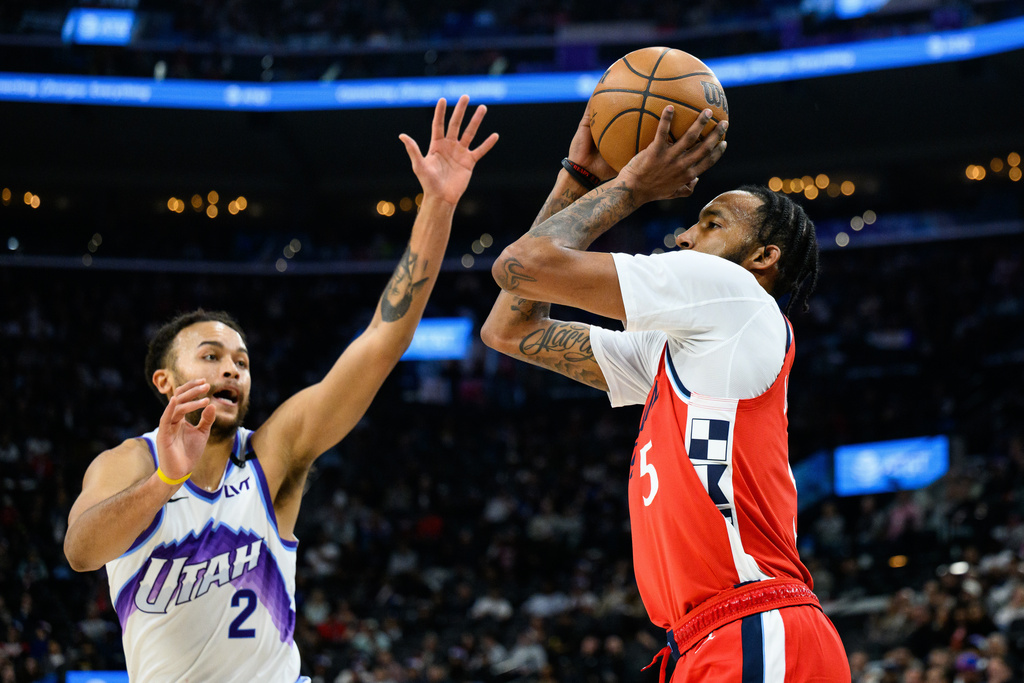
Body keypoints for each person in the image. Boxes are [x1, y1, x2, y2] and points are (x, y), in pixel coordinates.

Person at [63, 95, 498, 682]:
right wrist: (165, 480)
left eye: (241, 361)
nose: (231, 371)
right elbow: (81, 551)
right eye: (211, 356)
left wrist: (438, 207)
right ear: (164, 380)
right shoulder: (129, 463)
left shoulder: (270, 455)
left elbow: (381, 341)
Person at [481, 103, 849, 681]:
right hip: (705, 640)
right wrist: (575, 180)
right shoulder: (674, 354)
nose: (682, 233)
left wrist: (628, 186)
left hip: (755, 627)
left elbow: (519, 265)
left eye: (712, 223)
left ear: (763, 257)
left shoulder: (732, 291)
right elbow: (509, 329)